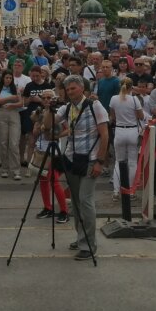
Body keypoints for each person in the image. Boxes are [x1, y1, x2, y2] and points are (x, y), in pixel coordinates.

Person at [54, 74, 109, 261]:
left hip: (90, 160)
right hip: (71, 159)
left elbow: (105, 135)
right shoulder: (67, 108)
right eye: (67, 89)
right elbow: (49, 123)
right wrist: (46, 108)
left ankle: (88, 245)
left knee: (85, 201)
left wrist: (100, 162)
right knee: (76, 203)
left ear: (82, 89)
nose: (70, 92)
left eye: (73, 89)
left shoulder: (95, 106)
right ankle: (81, 238)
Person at [32, 88, 69, 223]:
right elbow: (35, 133)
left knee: (54, 181)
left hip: (54, 152)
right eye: (44, 98)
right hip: (41, 151)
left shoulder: (58, 113)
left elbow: (69, 129)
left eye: (50, 98)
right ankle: (48, 207)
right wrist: (37, 125)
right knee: (42, 180)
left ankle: (64, 211)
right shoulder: (40, 112)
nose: (47, 100)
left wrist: (57, 136)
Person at [109, 79, 144, 199]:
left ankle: (116, 191)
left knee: (118, 162)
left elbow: (112, 116)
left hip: (119, 130)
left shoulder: (113, 99)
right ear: (131, 87)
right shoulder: (134, 99)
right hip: (132, 131)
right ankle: (130, 191)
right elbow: (141, 116)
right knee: (132, 162)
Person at [0, 70, 23, 181]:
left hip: (14, 114)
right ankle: (4, 168)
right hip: (2, 113)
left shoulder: (15, 88)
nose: (8, 80)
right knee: (3, 142)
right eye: (6, 77)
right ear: (3, 78)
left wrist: (12, 104)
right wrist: (10, 98)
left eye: (10, 78)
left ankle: (16, 170)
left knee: (14, 143)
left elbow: (21, 103)